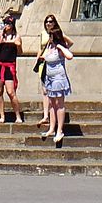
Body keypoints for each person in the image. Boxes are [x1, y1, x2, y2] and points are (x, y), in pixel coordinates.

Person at [38, 14, 73, 147]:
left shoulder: (58, 47)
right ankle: (52, 128)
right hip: (49, 78)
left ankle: (60, 130)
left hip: (59, 78)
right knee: (52, 104)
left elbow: (70, 56)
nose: (50, 38)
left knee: (59, 104)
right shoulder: (49, 46)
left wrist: (61, 46)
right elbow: (44, 56)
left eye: (52, 36)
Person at [0, 15, 24, 124]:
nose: (6, 25)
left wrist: (17, 45)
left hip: (9, 66)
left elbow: (20, 52)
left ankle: (18, 115)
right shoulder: (1, 34)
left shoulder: (16, 37)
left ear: (12, 25)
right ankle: (2, 115)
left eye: (8, 24)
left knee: (11, 92)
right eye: (5, 23)